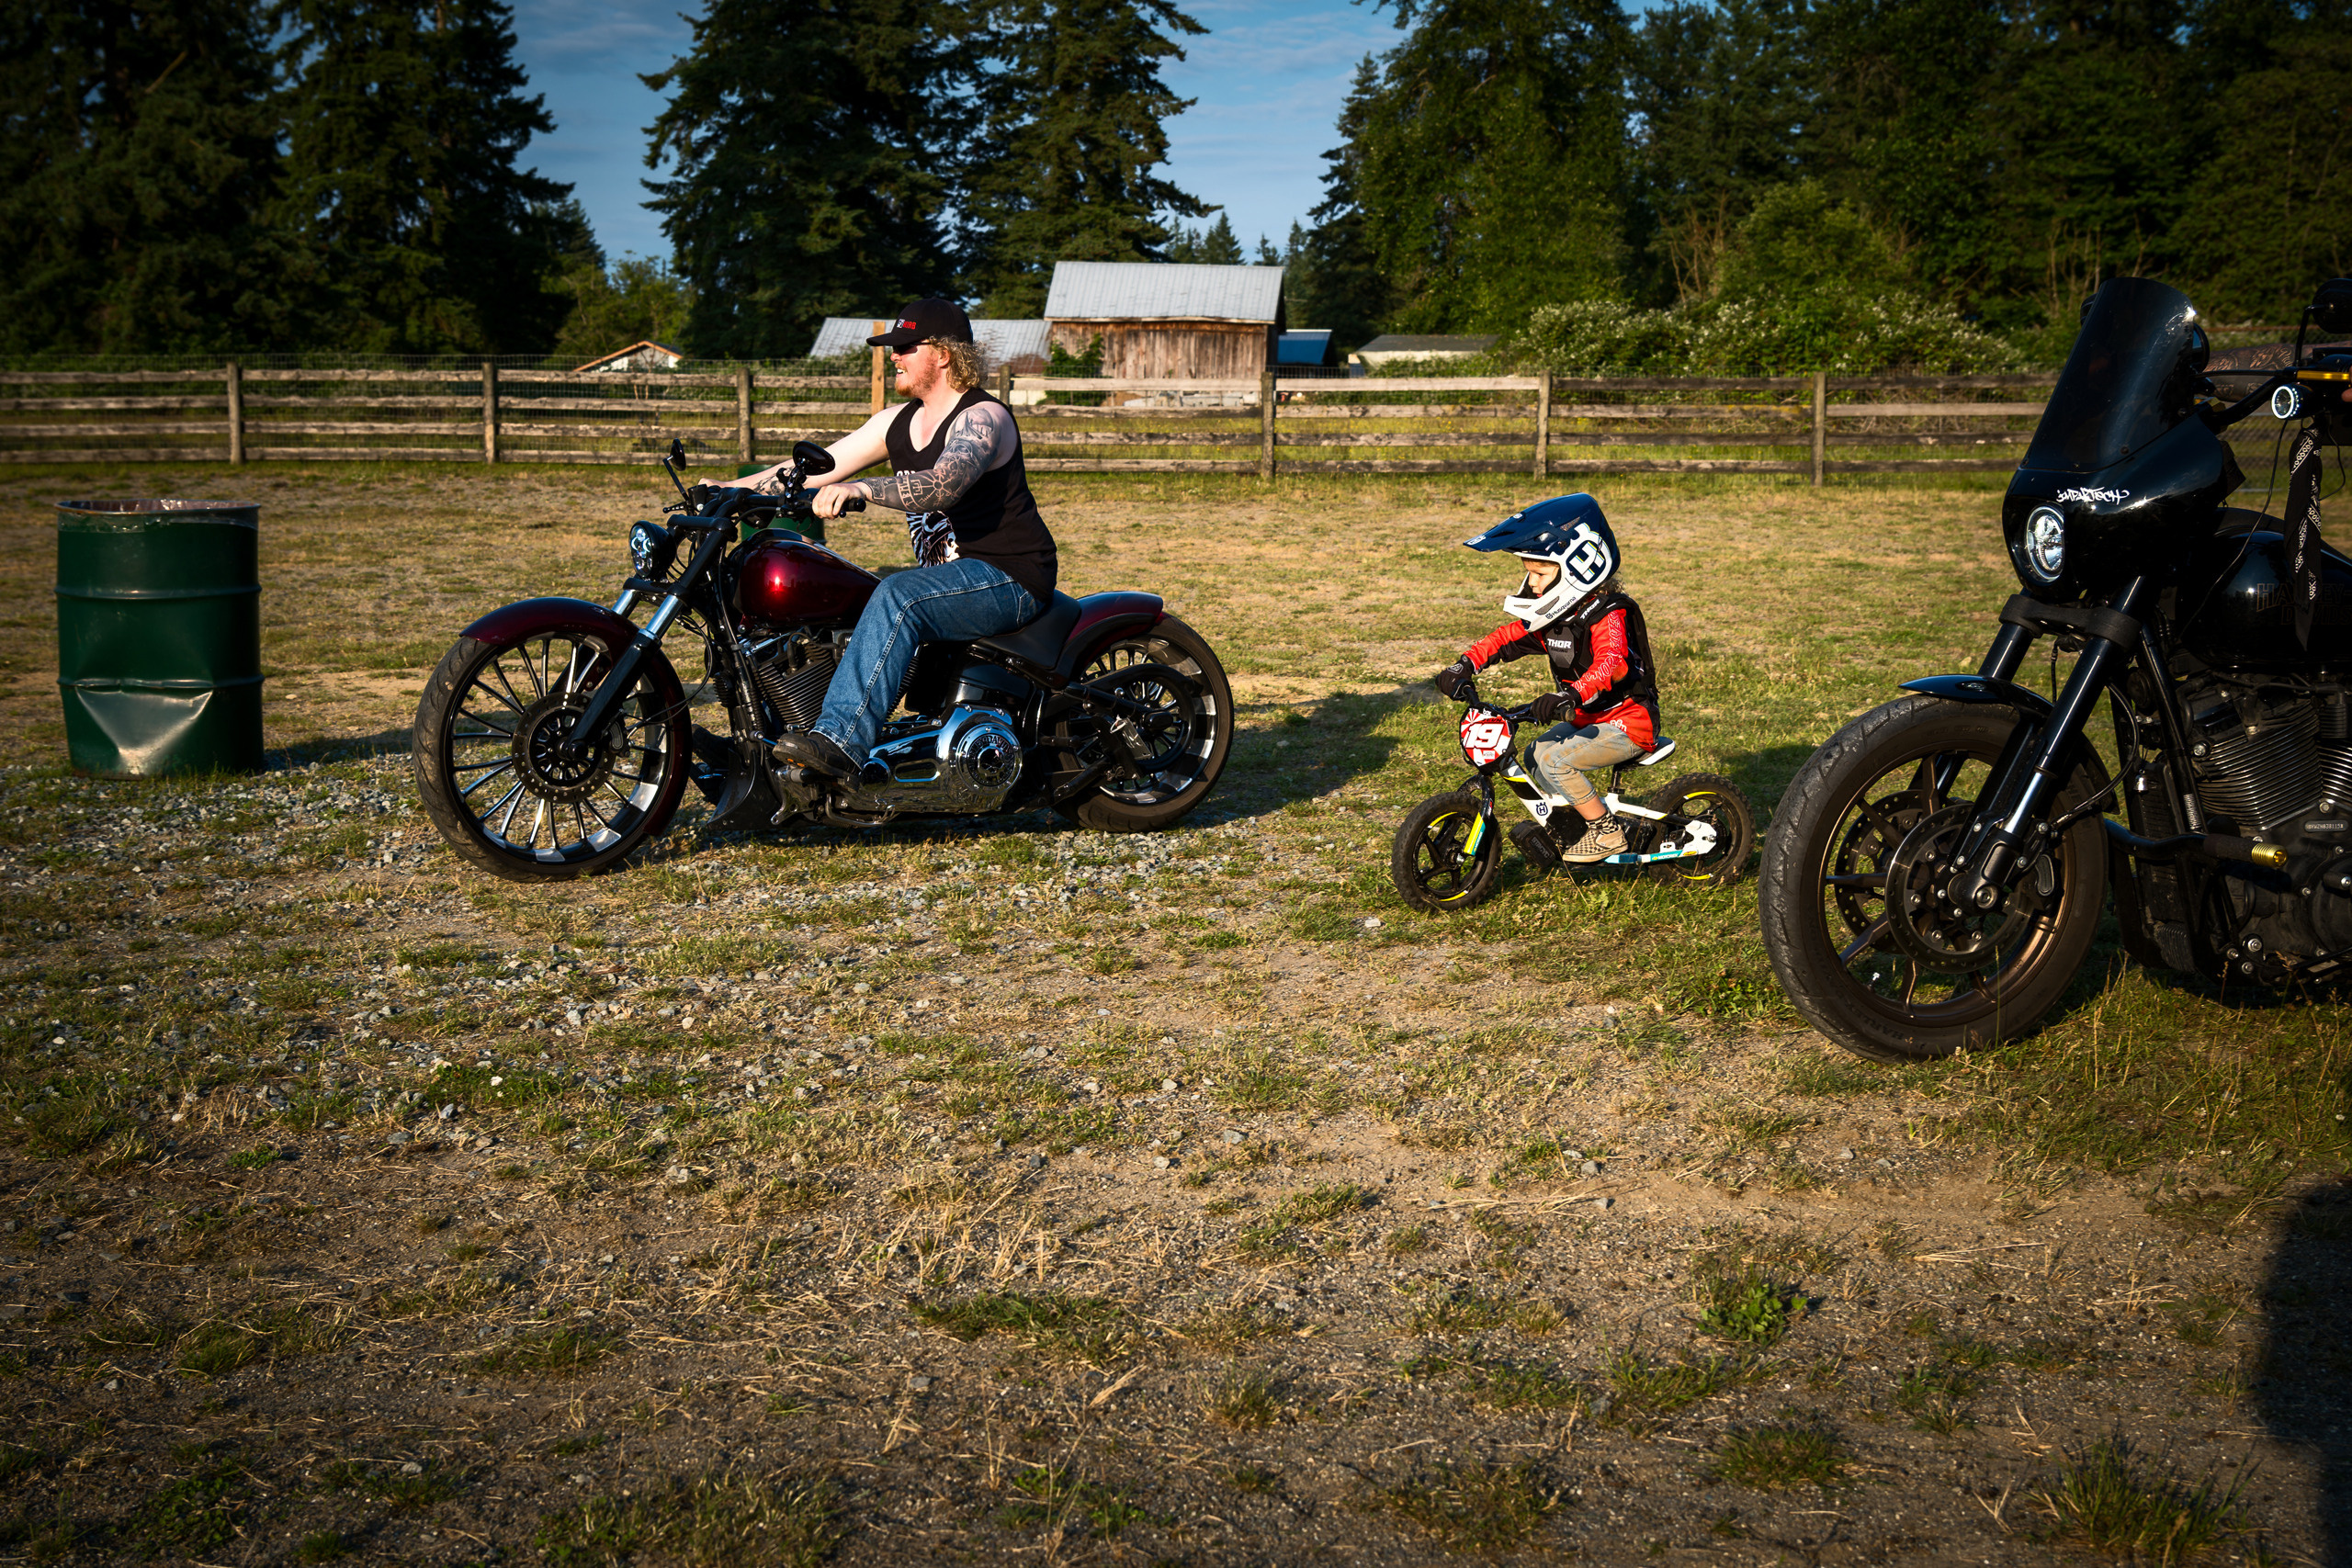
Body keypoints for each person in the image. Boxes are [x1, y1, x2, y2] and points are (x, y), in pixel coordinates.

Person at [749, 299, 1058, 780]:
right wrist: (723, 490)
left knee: (899, 595)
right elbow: (808, 471)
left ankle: (840, 742)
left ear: (943, 354)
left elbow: (944, 482)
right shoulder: (895, 422)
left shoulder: (984, 417)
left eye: (905, 347)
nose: (894, 355)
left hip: (1009, 575)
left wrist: (862, 488)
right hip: (953, 578)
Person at [1432, 495, 1658, 863]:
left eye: (1540, 574)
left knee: (1556, 762)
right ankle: (1575, 826)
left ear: (1577, 569)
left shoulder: (1607, 615)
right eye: (1529, 574)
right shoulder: (1559, 614)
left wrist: (1570, 695)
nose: (1533, 584)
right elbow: (1509, 638)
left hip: (1629, 722)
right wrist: (1466, 664)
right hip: (1588, 718)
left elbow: (1611, 663)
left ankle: (1607, 832)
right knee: (1536, 754)